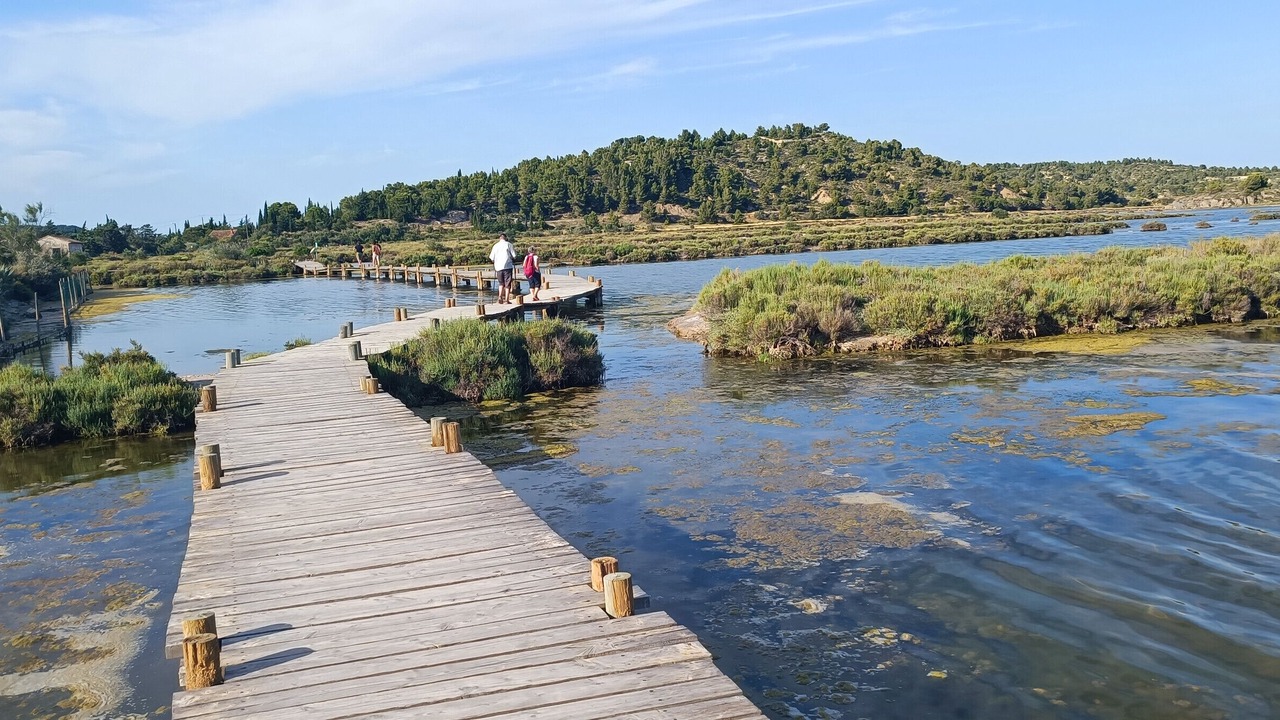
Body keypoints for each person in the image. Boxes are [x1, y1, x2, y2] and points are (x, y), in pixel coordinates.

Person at [489, 232, 516, 304]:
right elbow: (514, 255)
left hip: (498, 267)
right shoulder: (509, 244)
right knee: (507, 284)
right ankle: (506, 300)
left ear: (499, 238)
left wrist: (495, 262)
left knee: (501, 283)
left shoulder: (495, 246)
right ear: (506, 238)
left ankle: (500, 297)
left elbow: (491, 258)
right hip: (507, 266)